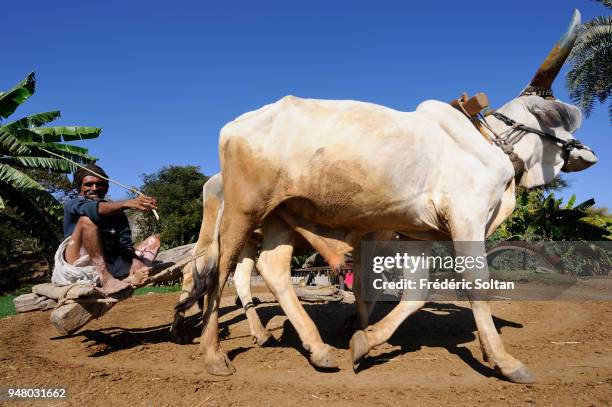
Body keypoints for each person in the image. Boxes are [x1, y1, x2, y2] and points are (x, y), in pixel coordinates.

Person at [51, 164, 161, 294]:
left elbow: (125, 245)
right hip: (77, 265)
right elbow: (94, 209)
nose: (94, 188)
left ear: (106, 188)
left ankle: (134, 273)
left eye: (99, 184)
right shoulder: (73, 204)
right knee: (86, 221)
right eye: (88, 184)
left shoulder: (117, 213)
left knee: (154, 241)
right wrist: (127, 203)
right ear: (80, 188)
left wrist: (135, 261)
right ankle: (106, 278)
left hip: (109, 262)